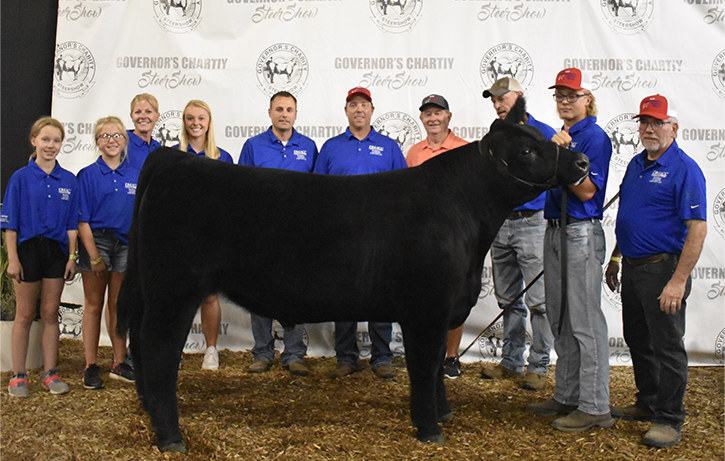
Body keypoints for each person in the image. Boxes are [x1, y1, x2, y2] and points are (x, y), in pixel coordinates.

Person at [605, 94, 707, 448]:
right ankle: (647, 402)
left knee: (667, 346)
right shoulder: (636, 163)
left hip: (663, 271)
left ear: (673, 128)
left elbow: (697, 229)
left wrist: (678, 281)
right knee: (637, 339)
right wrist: (616, 257)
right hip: (632, 268)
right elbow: (630, 216)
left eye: (657, 122)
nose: (649, 128)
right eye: (644, 122)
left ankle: (669, 418)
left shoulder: (685, 169)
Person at [527, 68, 614, 432]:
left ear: (586, 100)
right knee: (559, 316)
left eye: (571, 96)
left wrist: (561, 156)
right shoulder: (560, 136)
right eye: (559, 96)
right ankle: (567, 394)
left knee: (584, 320)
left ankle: (595, 406)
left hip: (580, 231)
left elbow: (588, 192)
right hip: (554, 229)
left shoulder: (593, 137)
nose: (564, 101)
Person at [313, 86, 407, 379]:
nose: (358, 110)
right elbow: (317, 190)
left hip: (382, 235)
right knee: (344, 297)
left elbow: (403, 191)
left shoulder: (390, 147)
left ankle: (381, 357)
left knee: (382, 295)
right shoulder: (331, 147)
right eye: (353, 105)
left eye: (363, 104)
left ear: (371, 110)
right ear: (346, 111)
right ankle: (346, 357)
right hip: (342, 235)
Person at [479, 77, 556, 391]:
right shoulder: (494, 137)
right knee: (508, 298)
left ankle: (537, 366)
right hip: (501, 222)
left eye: (502, 98)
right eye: (494, 100)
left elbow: (555, 176)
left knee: (539, 301)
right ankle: (511, 361)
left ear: (520, 97)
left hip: (532, 223)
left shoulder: (544, 134)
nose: (497, 105)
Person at [238, 91, 318, 377]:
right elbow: (241, 191)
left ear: (296, 114)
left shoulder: (308, 147)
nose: (284, 114)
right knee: (259, 293)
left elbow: (317, 192)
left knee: (294, 294)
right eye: (279, 109)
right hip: (261, 234)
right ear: (270, 113)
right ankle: (262, 352)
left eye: (289, 109)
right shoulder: (253, 146)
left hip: (297, 236)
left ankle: (294, 354)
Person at [2, 117, 79, 397]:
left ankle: (50, 372)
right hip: (27, 251)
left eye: (56, 141)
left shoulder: (69, 180)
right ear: (34, 141)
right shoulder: (20, 178)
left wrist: (72, 257)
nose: (50, 145)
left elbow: (72, 225)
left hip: (56, 253)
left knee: (49, 313)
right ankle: (18, 375)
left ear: (61, 144)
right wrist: (13, 258)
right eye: (45, 139)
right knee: (24, 314)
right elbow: (9, 225)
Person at [405, 94, 468, 379]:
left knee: (455, 295)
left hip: (456, 234)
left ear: (448, 117)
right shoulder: (414, 153)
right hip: (422, 235)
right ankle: (427, 355)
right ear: (422, 119)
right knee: (423, 295)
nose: (432, 118)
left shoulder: (465, 150)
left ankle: (451, 357)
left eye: (438, 113)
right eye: (427, 113)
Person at [77, 116, 138, 389]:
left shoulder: (136, 174)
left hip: (126, 244)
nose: (111, 141)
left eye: (117, 136)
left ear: (125, 140)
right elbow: (82, 221)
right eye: (105, 136)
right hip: (97, 243)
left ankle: (119, 362)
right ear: (97, 142)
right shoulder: (87, 175)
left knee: (118, 305)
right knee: (93, 304)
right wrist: (93, 256)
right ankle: (91, 364)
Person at [174, 99, 233, 370]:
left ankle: (211, 350)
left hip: (211, 236)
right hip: (179, 235)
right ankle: (173, 350)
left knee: (209, 295)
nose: (195, 123)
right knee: (177, 295)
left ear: (209, 122)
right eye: (190, 118)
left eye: (201, 118)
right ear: (184, 123)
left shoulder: (223, 158)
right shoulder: (173, 157)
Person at [126, 93, 161, 169]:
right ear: (131, 116)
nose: (143, 116)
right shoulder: (121, 143)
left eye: (148, 111)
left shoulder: (158, 148)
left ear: (157, 116)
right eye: (138, 112)